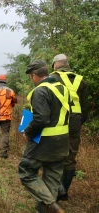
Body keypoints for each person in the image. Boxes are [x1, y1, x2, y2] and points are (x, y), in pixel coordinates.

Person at [19, 60, 70, 213]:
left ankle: (53, 206)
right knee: (52, 179)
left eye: (30, 76)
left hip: (44, 142)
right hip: (62, 142)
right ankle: (45, 209)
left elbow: (41, 118)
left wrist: (27, 132)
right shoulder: (63, 88)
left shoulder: (40, 91)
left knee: (26, 172)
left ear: (34, 75)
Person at [51, 54, 89, 201]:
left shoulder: (52, 79)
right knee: (70, 157)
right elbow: (85, 107)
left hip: (57, 123)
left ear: (55, 65)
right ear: (67, 64)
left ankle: (55, 191)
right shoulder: (80, 80)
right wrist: (80, 121)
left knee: (55, 155)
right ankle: (64, 191)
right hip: (75, 122)